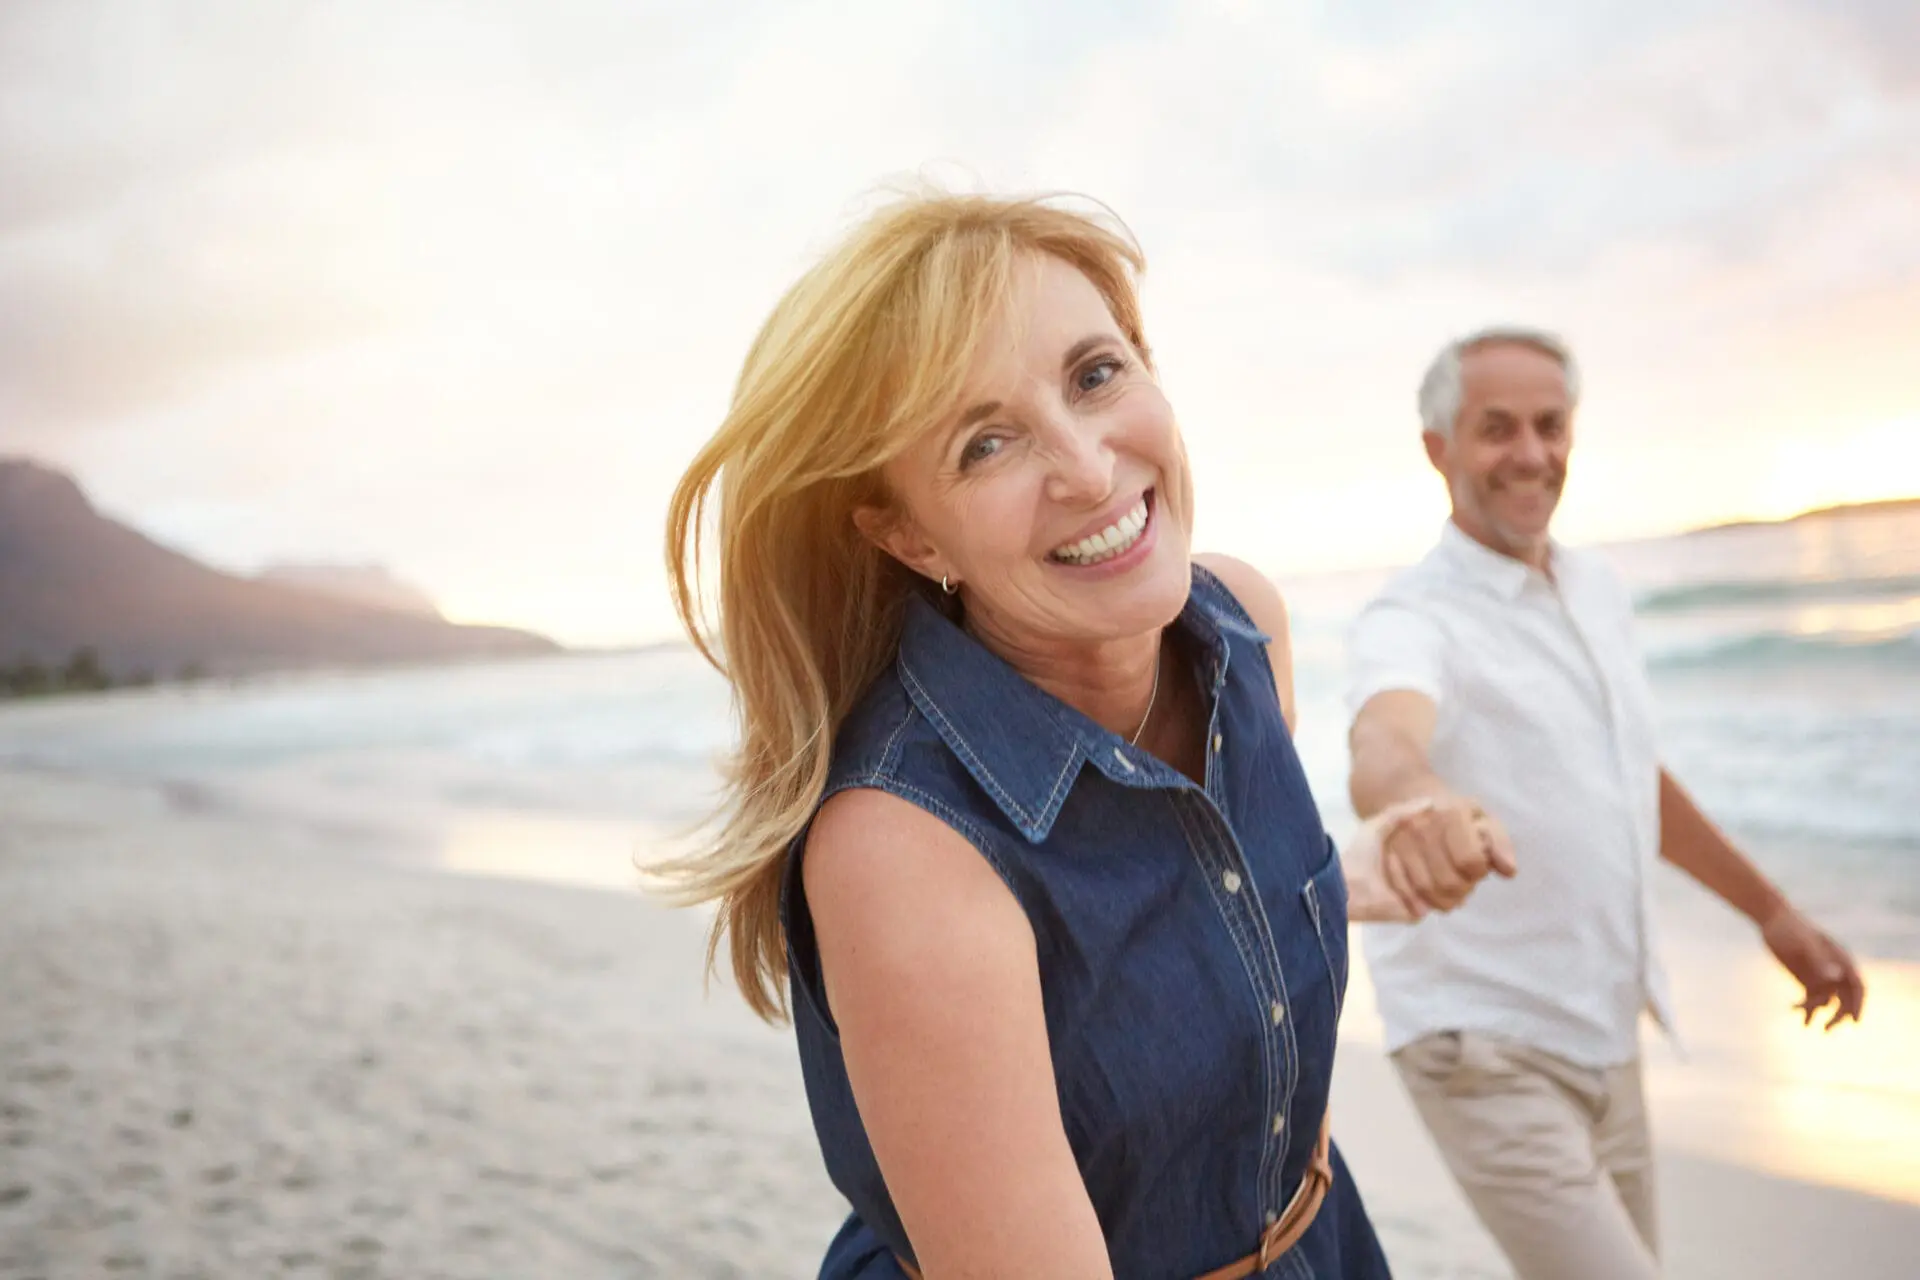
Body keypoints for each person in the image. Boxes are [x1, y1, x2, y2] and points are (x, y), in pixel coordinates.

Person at [658, 192, 1501, 1278]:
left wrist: (1359, 866)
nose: (1091, 468)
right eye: (985, 443)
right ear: (908, 532)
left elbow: (1187, 903)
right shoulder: (904, 846)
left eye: (1096, 373)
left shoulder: (1242, 631)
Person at [1343, 326, 1869, 1280]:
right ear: (1439, 449)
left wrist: (1773, 912)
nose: (1532, 454)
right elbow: (1384, 744)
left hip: (1602, 1025)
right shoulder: (1412, 618)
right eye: (1496, 428)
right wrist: (1424, 809)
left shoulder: (1595, 588)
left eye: (1551, 426)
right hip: (1482, 1044)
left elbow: (1633, 778)